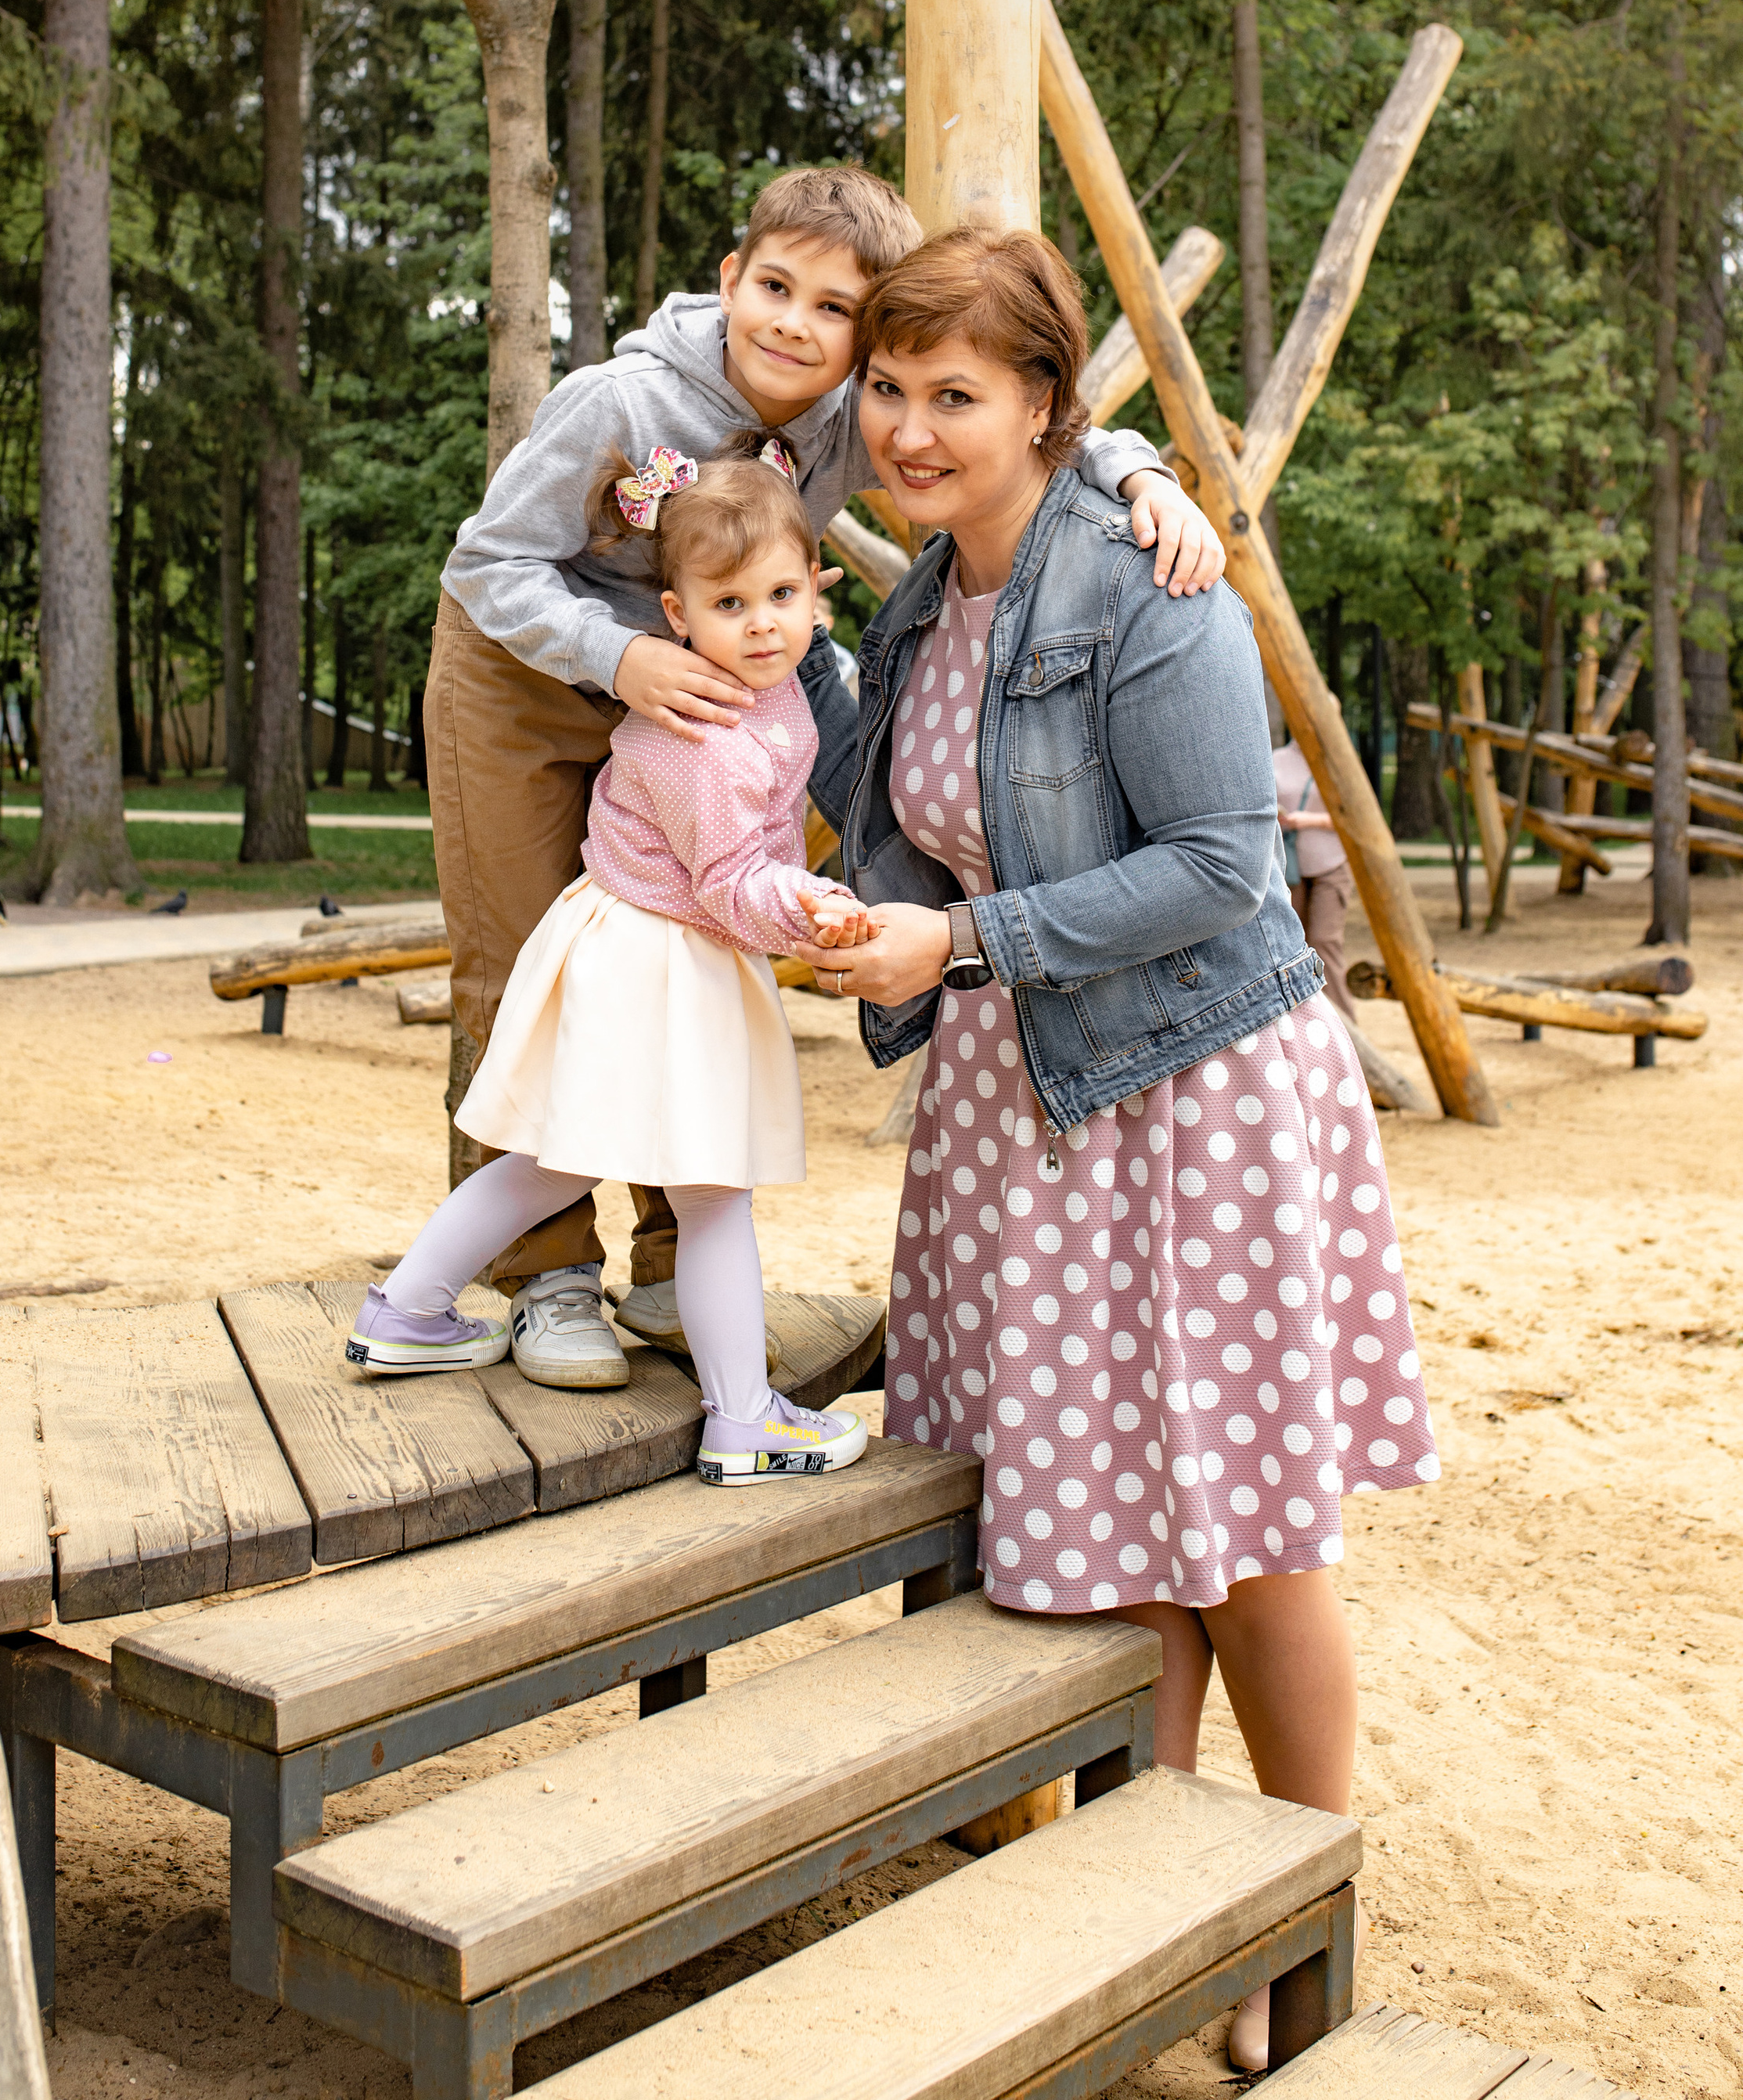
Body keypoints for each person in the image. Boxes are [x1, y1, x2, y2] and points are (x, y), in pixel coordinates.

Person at [789, 226, 1435, 2075]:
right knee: (1098, 1532)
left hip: (1185, 1094)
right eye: (890, 388)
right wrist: (853, 910)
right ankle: (1160, 1921)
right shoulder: (926, 585)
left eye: (954, 395)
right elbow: (917, 814)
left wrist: (961, 943)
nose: (908, 427)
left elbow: (1223, 867)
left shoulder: (1140, 582)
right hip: (1020, 1098)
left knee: (1234, 1534)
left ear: (1045, 408)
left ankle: (1298, 1921)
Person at [429, 162, 1226, 1389]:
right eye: (776, 288)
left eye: (836, 307)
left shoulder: (860, 412)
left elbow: (1026, 405)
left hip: (707, 692)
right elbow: (488, 563)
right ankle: (544, 1275)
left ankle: (667, 1265)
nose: (796, 324)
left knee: (690, 954)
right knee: (537, 960)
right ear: (730, 279)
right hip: (532, 675)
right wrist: (623, 654)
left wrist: (1143, 474)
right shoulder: (621, 402)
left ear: (869, 332)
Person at [350, 441, 875, 1482]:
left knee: (555, 1157)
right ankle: (742, 1420)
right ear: (675, 617)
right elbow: (730, 883)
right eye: (730, 605)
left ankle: (404, 1310)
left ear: (816, 588)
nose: (762, 622)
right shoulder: (704, 735)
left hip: (651, 947)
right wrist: (811, 907)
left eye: (781, 593)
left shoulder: (768, 689)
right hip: (663, 957)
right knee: (714, 1184)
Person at [1274, 715, 1356, 1018]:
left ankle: (1347, 1027)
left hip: (1331, 864)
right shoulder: (1277, 760)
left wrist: (1305, 821)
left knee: (1324, 941)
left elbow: (1356, 817)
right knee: (1293, 946)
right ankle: (1305, 1024)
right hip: (1290, 868)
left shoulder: (1338, 762)